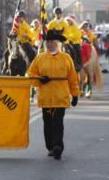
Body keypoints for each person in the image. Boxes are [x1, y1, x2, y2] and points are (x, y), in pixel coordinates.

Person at [27, 30, 80, 160]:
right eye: (48, 42)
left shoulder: (66, 58)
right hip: (46, 97)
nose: (49, 44)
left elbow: (72, 77)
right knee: (48, 123)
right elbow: (30, 74)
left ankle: (58, 146)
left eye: (52, 42)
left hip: (60, 97)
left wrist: (75, 94)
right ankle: (50, 146)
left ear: (57, 43)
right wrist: (40, 79)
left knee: (58, 122)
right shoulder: (40, 58)